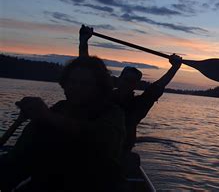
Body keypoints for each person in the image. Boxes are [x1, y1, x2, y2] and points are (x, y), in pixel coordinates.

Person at [0, 56, 125, 192]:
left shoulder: (111, 113)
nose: (76, 87)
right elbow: (20, 157)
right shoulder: (58, 109)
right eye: (72, 82)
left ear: (99, 87)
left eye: (85, 83)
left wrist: (48, 117)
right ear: (64, 83)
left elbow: (104, 140)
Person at [79, 25, 182, 153]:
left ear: (135, 85)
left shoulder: (138, 105)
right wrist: (83, 41)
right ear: (119, 79)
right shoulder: (102, 96)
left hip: (120, 153)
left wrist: (175, 67)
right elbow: (86, 69)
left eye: (133, 81)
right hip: (95, 149)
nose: (128, 83)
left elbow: (156, 88)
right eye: (126, 79)